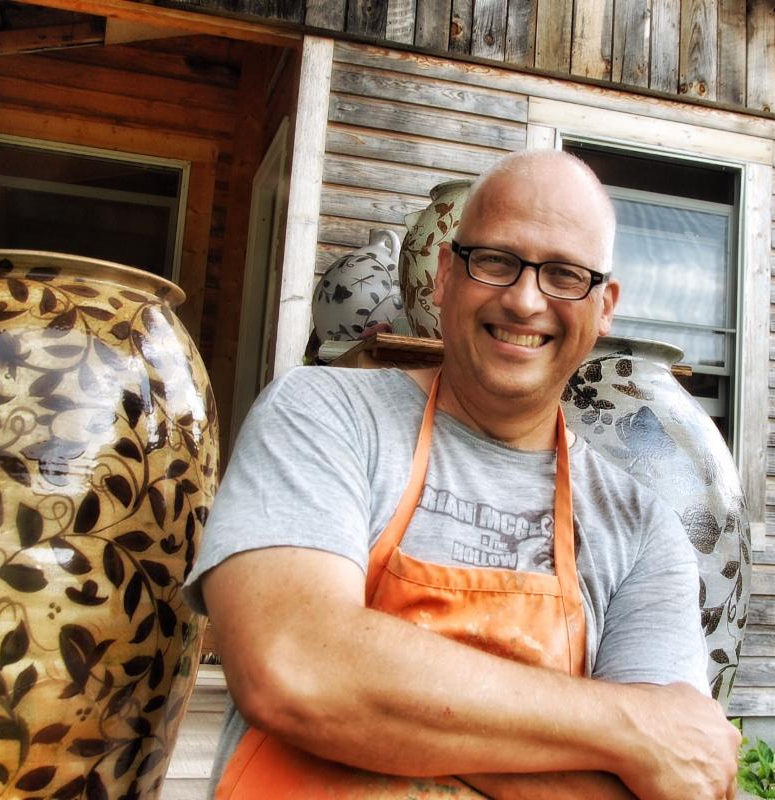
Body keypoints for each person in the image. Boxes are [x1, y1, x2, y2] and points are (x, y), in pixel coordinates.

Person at [184, 150, 741, 799]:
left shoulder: (641, 527)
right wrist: (625, 727)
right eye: (497, 261)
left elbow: (670, 774)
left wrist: (372, 702)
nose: (525, 300)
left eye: (564, 274)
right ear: (446, 274)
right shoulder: (323, 414)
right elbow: (295, 664)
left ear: (605, 306)